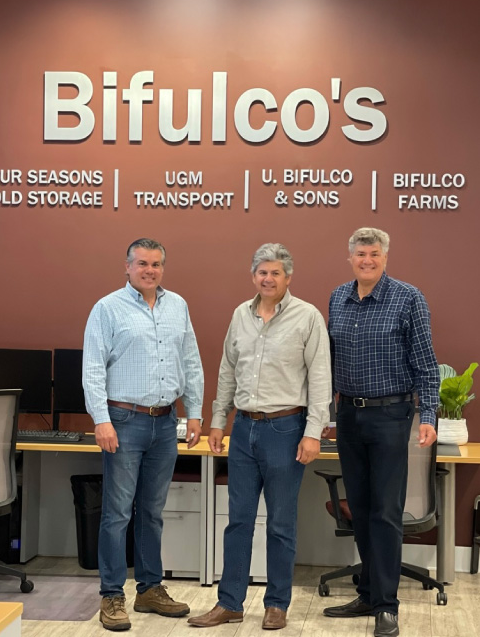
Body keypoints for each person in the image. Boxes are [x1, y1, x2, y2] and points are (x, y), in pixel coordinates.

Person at [188, 243, 331, 631]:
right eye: (262, 272)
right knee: (238, 521)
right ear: (253, 276)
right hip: (243, 429)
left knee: (281, 523)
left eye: (275, 273)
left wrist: (313, 433)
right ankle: (230, 603)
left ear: (288, 277)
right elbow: (228, 369)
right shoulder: (241, 314)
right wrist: (219, 420)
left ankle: (277, 604)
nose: (268, 279)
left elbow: (321, 378)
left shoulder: (307, 317)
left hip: (286, 429)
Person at [83, 238, 204, 632]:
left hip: (166, 423)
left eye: (156, 264)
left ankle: (150, 589)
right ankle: (112, 595)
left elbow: (190, 361)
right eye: (142, 263)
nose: (149, 270)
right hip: (123, 420)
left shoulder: (177, 305)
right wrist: (101, 420)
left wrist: (195, 413)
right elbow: (93, 368)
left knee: (152, 512)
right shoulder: (107, 308)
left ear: (162, 268)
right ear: (127, 266)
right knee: (117, 513)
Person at [323, 227, 439, 637]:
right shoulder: (338, 297)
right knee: (360, 508)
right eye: (360, 253)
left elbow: (426, 363)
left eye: (374, 253)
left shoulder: (408, 298)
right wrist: (323, 413)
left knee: (386, 512)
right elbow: (329, 361)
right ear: (350, 257)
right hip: (348, 416)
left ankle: (387, 606)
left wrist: (429, 416)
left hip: (391, 415)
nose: (367, 260)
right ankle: (369, 593)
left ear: (385, 257)